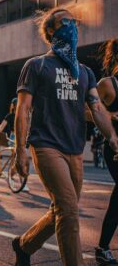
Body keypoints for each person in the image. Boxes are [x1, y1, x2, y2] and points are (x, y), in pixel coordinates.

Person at [12, 8, 118, 266]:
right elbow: (23, 109)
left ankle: (24, 245)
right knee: (69, 209)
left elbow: (96, 108)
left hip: (74, 148)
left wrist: (114, 138)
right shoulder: (36, 66)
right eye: (65, 22)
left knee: (61, 209)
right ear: (50, 31)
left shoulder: (84, 72)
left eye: (74, 22)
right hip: (46, 145)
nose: (72, 26)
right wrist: (20, 150)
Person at [95, 39, 118, 264]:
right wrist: (110, 116)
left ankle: (102, 247)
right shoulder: (108, 84)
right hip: (115, 148)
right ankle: (102, 247)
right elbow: (86, 111)